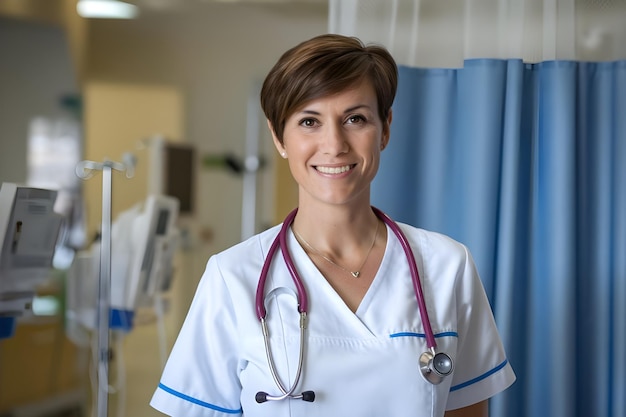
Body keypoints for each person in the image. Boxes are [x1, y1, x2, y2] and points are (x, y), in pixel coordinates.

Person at [150, 34, 516, 417]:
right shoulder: (233, 276)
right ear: (279, 138)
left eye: (355, 119)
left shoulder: (446, 265)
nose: (334, 143)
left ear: (385, 128)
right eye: (309, 121)